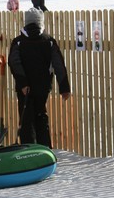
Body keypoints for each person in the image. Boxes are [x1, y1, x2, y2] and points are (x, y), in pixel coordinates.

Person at [8, 8, 71, 148]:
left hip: (25, 89)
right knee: (41, 115)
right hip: (42, 87)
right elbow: (58, 64)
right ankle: (44, 148)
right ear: (40, 22)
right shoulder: (48, 41)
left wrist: (23, 83)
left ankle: (28, 150)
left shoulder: (18, 42)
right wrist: (64, 88)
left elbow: (14, 63)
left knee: (26, 118)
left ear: (26, 22)